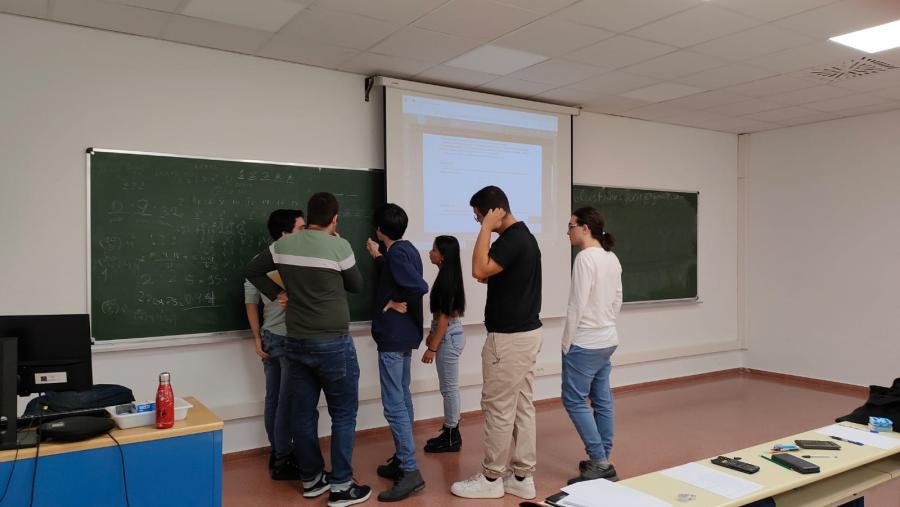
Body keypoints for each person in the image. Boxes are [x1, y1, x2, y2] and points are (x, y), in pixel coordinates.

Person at [245, 192, 370, 507]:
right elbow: (356, 285)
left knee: (303, 413)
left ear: (309, 216)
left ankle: (312, 480)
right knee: (343, 413)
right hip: (333, 342)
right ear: (334, 218)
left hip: (296, 340)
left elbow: (252, 270)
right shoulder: (339, 245)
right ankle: (341, 486)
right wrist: (338, 247)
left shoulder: (282, 246)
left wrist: (278, 293)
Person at [450, 186, 542, 501]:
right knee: (520, 407)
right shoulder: (521, 238)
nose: (479, 224)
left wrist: (488, 227)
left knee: (499, 408)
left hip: (509, 339)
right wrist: (490, 234)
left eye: (479, 218)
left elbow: (477, 269)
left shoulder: (513, 239)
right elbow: (486, 274)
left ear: (494, 211)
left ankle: (491, 478)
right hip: (524, 335)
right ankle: (521, 476)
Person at [365, 203, 429, 502]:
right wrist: (379, 257)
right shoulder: (404, 250)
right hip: (403, 335)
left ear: (379, 229)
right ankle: (402, 462)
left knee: (394, 405)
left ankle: (410, 469)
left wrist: (392, 302)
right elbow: (394, 274)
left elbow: (418, 286)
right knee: (401, 398)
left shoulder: (398, 254)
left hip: (394, 336)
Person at [561, 207, 622, 485]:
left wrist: (566, 342)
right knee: (601, 399)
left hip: (585, 341)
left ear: (585, 228)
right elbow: (618, 300)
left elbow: (577, 303)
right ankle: (603, 458)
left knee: (574, 400)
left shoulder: (585, 258)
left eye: (571, 225)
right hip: (607, 338)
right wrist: (605, 323)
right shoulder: (611, 258)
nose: (568, 230)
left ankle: (599, 461)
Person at [244, 209, 304, 479]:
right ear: (285, 233)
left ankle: (277, 452)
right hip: (289, 337)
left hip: (269, 336)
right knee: (287, 401)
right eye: (301, 228)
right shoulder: (294, 261)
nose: (306, 233)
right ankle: (284, 456)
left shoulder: (257, 262)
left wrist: (257, 337)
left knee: (274, 397)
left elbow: (251, 303)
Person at [421, 235, 466, 453]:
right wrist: (432, 335)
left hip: (449, 335)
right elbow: (440, 315)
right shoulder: (446, 276)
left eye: (434, 250)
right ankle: (450, 431)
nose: (430, 252)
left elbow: (445, 318)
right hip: (446, 334)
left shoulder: (448, 280)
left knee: (449, 389)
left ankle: (451, 435)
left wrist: (432, 347)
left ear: (443, 255)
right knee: (448, 388)